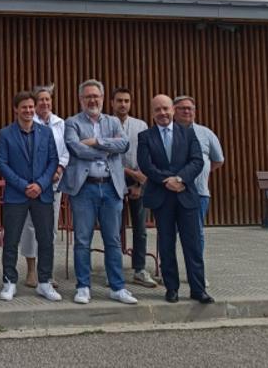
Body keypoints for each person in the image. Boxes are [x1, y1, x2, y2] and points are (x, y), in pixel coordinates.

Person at [60, 79, 137, 305]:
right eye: (88, 97)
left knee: (113, 240)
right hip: (84, 188)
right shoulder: (72, 122)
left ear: (103, 99)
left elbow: (123, 145)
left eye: (96, 96)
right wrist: (106, 150)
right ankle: (83, 286)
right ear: (80, 99)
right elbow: (75, 148)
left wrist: (95, 141)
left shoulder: (113, 121)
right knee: (83, 240)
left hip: (111, 188)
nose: (92, 100)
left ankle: (117, 287)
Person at [138, 95, 212, 304]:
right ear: (152, 113)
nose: (162, 113)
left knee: (193, 244)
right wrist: (166, 181)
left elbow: (197, 161)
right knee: (167, 244)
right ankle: (172, 288)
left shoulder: (188, 134)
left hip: (185, 196)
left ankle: (198, 289)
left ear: (172, 110)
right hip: (163, 198)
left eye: (165, 109)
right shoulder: (146, 136)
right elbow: (146, 165)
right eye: (157, 110)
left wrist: (180, 179)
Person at [0, 91, 61, 302]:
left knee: (46, 240)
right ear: (16, 109)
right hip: (17, 194)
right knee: (12, 240)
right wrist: (24, 186)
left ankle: (44, 282)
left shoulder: (46, 133)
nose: (28, 110)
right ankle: (9, 281)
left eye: (31, 107)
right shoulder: (5, 134)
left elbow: (53, 160)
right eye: (24, 107)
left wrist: (41, 185)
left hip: (42, 194)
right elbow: (2, 164)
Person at [19, 84, 68, 288]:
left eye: (48, 100)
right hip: (32, 185)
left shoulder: (60, 123)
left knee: (50, 229)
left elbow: (65, 150)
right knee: (30, 227)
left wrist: (60, 169)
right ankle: (31, 271)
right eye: (41, 100)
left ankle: (46, 271)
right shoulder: (29, 122)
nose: (45, 103)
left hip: (54, 183)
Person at [111, 87, 157, 288]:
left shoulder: (141, 125)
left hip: (138, 181)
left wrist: (139, 182)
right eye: (119, 100)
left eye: (126, 101)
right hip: (112, 180)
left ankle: (139, 269)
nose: (123, 104)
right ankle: (113, 269)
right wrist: (130, 173)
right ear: (112, 102)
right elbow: (105, 155)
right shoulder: (105, 124)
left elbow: (146, 155)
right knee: (112, 228)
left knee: (140, 228)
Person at [173, 96, 225, 258]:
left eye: (190, 108)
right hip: (171, 193)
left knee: (196, 234)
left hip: (198, 193)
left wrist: (200, 172)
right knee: (168, 234)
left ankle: (196, 271)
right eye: (182, 108)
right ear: (174, 111)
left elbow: (218, 160)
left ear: (195, 111)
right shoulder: (166, 132)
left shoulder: (206, 133)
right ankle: (165, 269)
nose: (187, 111)